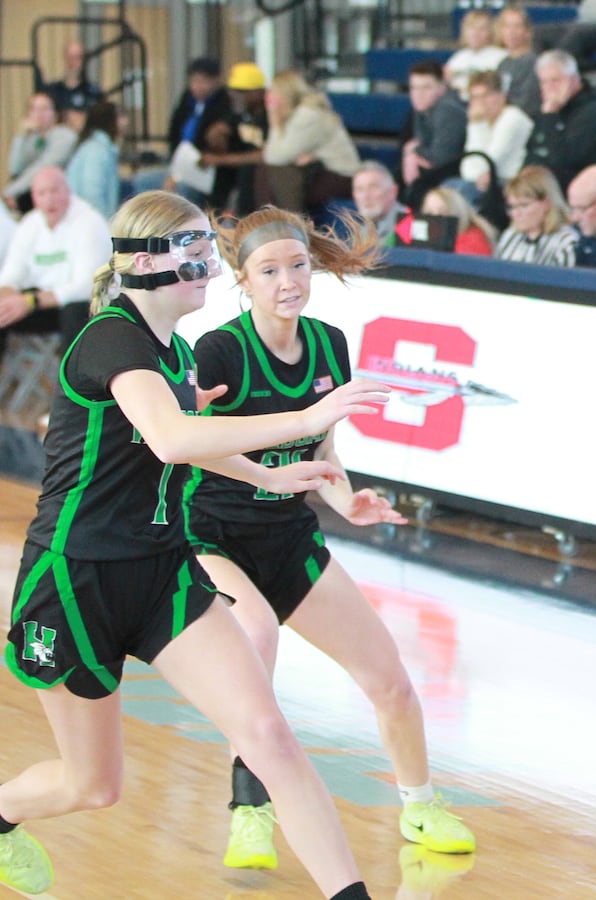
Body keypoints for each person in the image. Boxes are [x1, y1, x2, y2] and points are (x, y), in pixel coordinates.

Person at [0, 189, 387, 898]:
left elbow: (186, 445)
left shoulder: (174, 350)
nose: (211, 264)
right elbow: (172, 438)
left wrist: (268, 479)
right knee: (94, 787)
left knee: (267, 733)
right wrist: (307, 415)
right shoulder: (110, 338)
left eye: (211, 247)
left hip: (161, 573)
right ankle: (1, 816)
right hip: (74, 580)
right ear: (145, 263)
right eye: (196, 251)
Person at [191, 205, 478, 872]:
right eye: (270, 270)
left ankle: (419, 805)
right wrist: (265, 467)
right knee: (255, 641)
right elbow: (183, 446)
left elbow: (323, 451)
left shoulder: (327, 345)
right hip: (212, 536)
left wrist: (348, 503)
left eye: (298, 265)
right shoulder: (219, 352)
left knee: (391, 681)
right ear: (243, 279)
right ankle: (250, 811)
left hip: (288, 536)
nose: (288, 280)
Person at [0, 167, 111, 363]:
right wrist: (6, 295)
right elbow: (12, 273)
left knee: (75, 312)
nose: (49, 200)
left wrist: (30, 301)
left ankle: (73, 387)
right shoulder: (30, 224)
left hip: (86, 304)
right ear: (34, 198)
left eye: (54, 191)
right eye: (42, 193)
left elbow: (86, 286)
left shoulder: (89, 222)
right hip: (41, 301)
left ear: (68, 191)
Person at [257, 71, 361, 214]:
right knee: (270, 172)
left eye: (272, 93)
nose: (268, 98)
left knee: (277, 172)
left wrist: (273, 120)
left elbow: (274, 157)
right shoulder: (297, 113)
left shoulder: (307, 114)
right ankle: (275, 223)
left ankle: (289, 223)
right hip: (321, 169)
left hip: (342, 175)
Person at [527, 50, 596, 190]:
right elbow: (533, 151)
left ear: (574, 79)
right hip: (554, 188)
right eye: (544, 82)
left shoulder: (594, 111)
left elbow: (564, 160)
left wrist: (550, 117)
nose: (549, 88)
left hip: (592, 188)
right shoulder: (548, 110)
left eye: (555, 80)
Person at [134, 58, 230, 204]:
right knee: (143, 180)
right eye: (194, 81)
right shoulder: (187, 101)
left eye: (203, 81)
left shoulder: (224, 105)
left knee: (181, 190)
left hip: (203, 171)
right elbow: (175, 133)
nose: (197, 87)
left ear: (216, 81)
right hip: (179, 164)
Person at [199, 63, 272, 213]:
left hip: (265, 173)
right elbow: (221, 134)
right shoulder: (240, 113)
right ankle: (214, 215)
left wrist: (221, 159)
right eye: (233, 91)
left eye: (241, 92)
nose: (235, 96)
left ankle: (243, 218)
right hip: (236, 178)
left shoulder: (270, 115)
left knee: (248, 170)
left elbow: (266, 155)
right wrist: (216, 135)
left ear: (258, 92)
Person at [457, 72, 533, 204]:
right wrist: (478, 123)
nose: (480, 102)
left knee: (462, 191)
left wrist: (477, 124)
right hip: (485, 182)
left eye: (485, 95)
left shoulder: (512, 118)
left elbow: (487, 162)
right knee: (448, 188)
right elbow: (467, 167)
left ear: (502, 96)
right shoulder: (483, 121)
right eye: (474, 97)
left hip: (511, 182)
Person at [401, 61, 468, 206]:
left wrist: (413, 151)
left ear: (442, 88)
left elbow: (440, 159)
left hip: (453, 175)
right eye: (414, 88)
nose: (419, 94)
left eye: (426, 87)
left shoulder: (448, 110)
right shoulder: (421, 110)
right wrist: (412, 155)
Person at [5, 93, 77, 213]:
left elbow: (42, 167)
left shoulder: (65, 136)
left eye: (44, 108)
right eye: (34, 108)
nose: (39, 114)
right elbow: (15, 168)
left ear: (56, 113)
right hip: (37, 197)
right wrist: (21, 136)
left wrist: (11, 192)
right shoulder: (34, 137)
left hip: (62, 199)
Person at [495, 164, 578, 266]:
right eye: (512, 207)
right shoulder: (510, 236)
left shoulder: (566, 243)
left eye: (524, 205)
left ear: (546, 203)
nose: (516, 213)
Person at [397, 187, 496, 256]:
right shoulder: (429, 242)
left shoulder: (473, 241)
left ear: (456, 212)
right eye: (429, 213)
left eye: (442, 212)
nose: (435, 218)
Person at [65, 100, 120, 219]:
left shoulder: (97, 147)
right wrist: (103, 226)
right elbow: (93, 193)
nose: (126, 122)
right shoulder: (96, 151)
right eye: (121, 116)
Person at [445, 9, 508, 100]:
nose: (475, 33)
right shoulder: (458, 57)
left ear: (491, 32)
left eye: (481, 29)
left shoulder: (501, 57)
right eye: (471, 28)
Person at [41, 40, 102, 133]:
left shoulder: (93, 92)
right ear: (65, 58)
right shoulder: (53, 90)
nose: (73, 62)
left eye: (77, 57)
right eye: (70, 57)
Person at [495, 7, 543, 117]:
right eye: (507, 26)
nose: (511, 32)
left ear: (527, 32)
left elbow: (527, 103)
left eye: (517, 26)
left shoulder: (532, 62)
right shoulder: (503, 64)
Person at [351, 162, 408, 246]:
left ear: (393, 192)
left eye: (373, 187)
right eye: (360, 189)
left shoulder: (411, 225)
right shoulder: (360, 232)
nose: (366, 196)